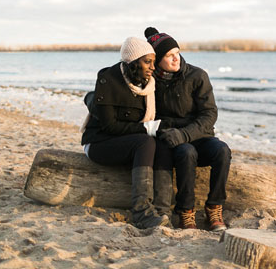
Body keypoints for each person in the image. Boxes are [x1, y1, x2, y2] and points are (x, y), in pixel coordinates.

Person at [81, 36, 173, 229]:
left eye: (153, 62)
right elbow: (109, 127)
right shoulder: (109, 80)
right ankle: (141, 213)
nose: (152, 67)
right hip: (99, 143)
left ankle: (163, 210)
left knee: (161, 141)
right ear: (132, 62)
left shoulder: (148, 84)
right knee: (146, 141)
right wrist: (147, 128)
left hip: (127, 143)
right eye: (147, 62)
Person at [145, 27, 228, 231]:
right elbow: (148, 115)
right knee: (186, 152)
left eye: (177, 53)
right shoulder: (151, 81)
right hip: (172, 141)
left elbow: (210, 114)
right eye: (169, 55)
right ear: (156, 60)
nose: (176, 59)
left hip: (199, 135)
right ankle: (186, 212)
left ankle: (214, 208)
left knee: (223, 151)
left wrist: (185, 133)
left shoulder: (197, 76)